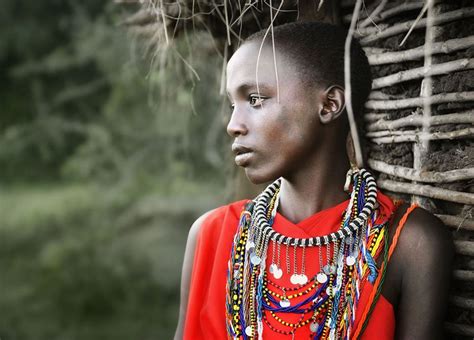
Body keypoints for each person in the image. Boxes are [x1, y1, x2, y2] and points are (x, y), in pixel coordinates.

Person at [174, 22, 454, 340]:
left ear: (329, 104)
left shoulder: (408, 242)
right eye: (232, 105)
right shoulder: (211, 235)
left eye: (254, 99)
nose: (233, 125)